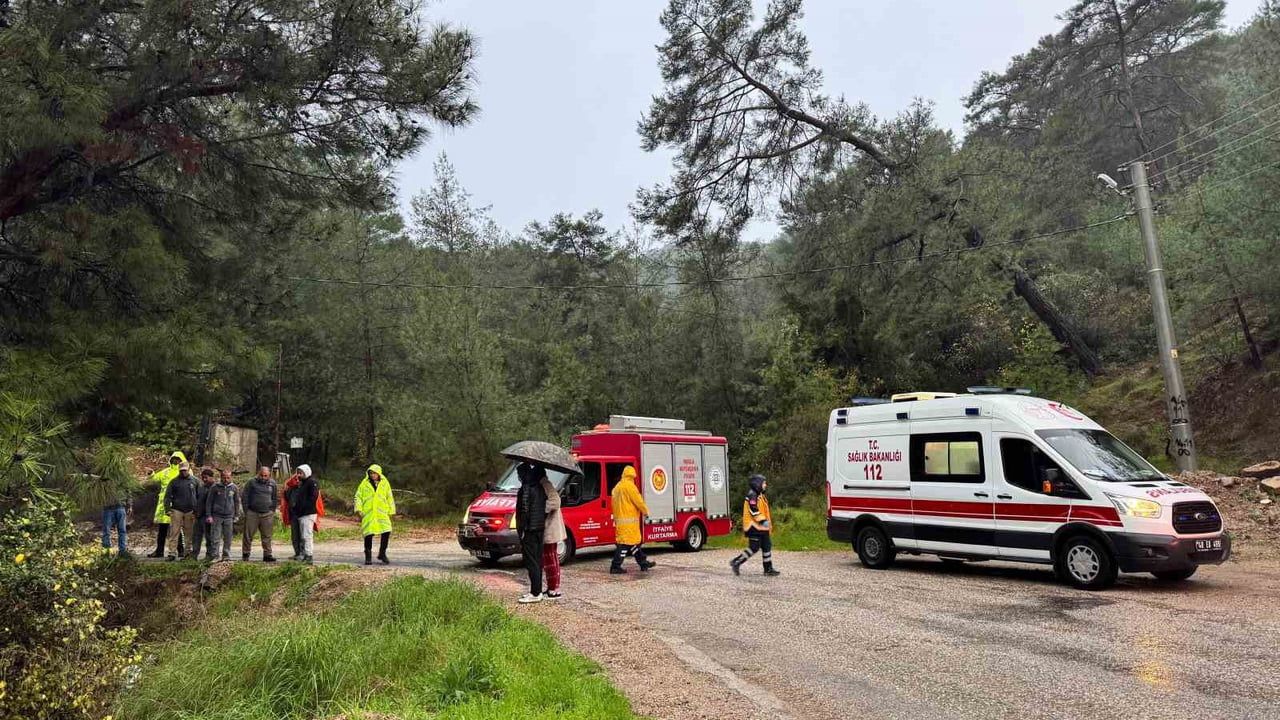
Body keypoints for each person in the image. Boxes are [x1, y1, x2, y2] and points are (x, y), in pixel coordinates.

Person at [729, 474, 781, 577]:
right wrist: (763, 521)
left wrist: (766, 524)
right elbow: (753, 510)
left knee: (767, 546)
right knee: (754, 547)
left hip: (761, 527)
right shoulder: (752, 495)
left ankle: (768, 569)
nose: (765, 485)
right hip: (753, 527)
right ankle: (736, 562)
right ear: (757, 484)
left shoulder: (760, 495)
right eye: (764, 483)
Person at [610, 465, 656, 574]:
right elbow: (638, 501)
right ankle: (615, 566)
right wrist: (645, 511)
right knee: (624, 545)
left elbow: (613, 504)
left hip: (621, 521)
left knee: (633, 544)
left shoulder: (617, 487)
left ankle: (643, 563)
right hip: (629, 521)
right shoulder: (630, 486)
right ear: (632, 475)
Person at [514, 463, 547, 603]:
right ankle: (537, 591)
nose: (519, 477)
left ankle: (535, 592)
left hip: (529, 530)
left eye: (519, 474)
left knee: (531, 561)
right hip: (539, 528)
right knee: (538, 561)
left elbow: (524, 511)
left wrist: (521, 530)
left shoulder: (526, 489)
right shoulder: (539, 487)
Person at [147, 451, 187, 558]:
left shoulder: (184, 471)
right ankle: (159, 551)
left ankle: (181, 550)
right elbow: (155, 478)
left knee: (176, 529)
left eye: (178, 459)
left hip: (176, 504)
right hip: (163, 506)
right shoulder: (165, 472)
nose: (176, 461)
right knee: (162, 529)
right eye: (174, 459)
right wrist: (151, 473)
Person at [354, 464, 395, 566]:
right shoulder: (364, 484)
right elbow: (358, 497)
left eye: (375, 473)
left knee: (386, 531)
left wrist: (391, 510)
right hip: (369, 512)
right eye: (371, 473)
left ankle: (382, 553)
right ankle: (368, 556)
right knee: (368, 534)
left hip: (382, 512)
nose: (373, 475)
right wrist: (358, 509)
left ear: (379, 473)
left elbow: (389, 496)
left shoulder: (385, 483)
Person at [163, 462, 199, 561]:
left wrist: (197, 510)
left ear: (189, 469)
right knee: (174, 532)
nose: (183, 472)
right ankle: (172, 553)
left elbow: (199, 496)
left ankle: (188, 552)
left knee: (189, 532)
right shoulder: (174, 481)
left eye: (185, 470)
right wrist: (167, 509)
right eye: (181, 470)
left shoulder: (195, 481)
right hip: (177, 509)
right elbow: (167, 496)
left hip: (190, 510)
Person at [241, 466, 278, 562]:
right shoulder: (251, 482)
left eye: (265, 476)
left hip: (267, 514)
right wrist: (247, 511)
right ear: (258, 473)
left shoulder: (272, 483)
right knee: (248, 535)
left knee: (267, 535)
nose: (263, 477)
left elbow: (274, 497)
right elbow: (245, 496)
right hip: (252, 513)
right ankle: (246, 554)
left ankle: (267, 554)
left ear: (269, 475)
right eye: (261, 475)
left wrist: (272, 510)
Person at [204, 468, 241, 562]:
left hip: (229, 516)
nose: (226, 480)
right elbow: (209, 502)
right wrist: (209, 515)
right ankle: (215, 555)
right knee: (215, 537)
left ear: (231, 477)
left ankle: (226, 555)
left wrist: (237, 515)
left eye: (228, 478)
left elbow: (237, 502)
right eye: (224, 478)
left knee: (228, 537)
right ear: (221, 477)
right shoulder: (215, 487)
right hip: (217, 516)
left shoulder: (234, 488)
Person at [541, 467, 565, 600]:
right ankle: (553, 587)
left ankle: (553, 588)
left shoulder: (545, 484)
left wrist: (541, 510)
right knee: (552, 557)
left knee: (550, 558)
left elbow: (555, 502)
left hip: (550, 527)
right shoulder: (545, 483)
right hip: (551, 527)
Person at [289, 463, 320, 564]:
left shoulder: (312, 482)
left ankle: (309, 555)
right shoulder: (302, 483)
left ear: (306, 472)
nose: (298, 475)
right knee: (303, 536)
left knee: (307, 535)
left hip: (308, 513)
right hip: (301, 514)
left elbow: (313, 498)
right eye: (298, 473)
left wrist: (303, 508)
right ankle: (305, 554)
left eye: (300, 473)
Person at [188, 468, 216, 560]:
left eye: (206, 477)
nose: (204, 479)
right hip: (199, 515)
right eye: (203, 478)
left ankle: (209, 555)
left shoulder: (215, 488)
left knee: (209, 537)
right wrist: (195, 511)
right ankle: (194, 554)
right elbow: (197, 500)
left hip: (209, 516)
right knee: (196, 536)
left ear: (212, 477)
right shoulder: (201, 487)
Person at [101, 485, 132, 556]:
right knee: (106, 530)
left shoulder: (122, 478)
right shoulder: (103, 479)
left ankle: (122, 550)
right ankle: (106, 550)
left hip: (120, 506)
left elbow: (128, 492)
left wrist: (129, 505)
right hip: (108, 507)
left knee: (122, 530)